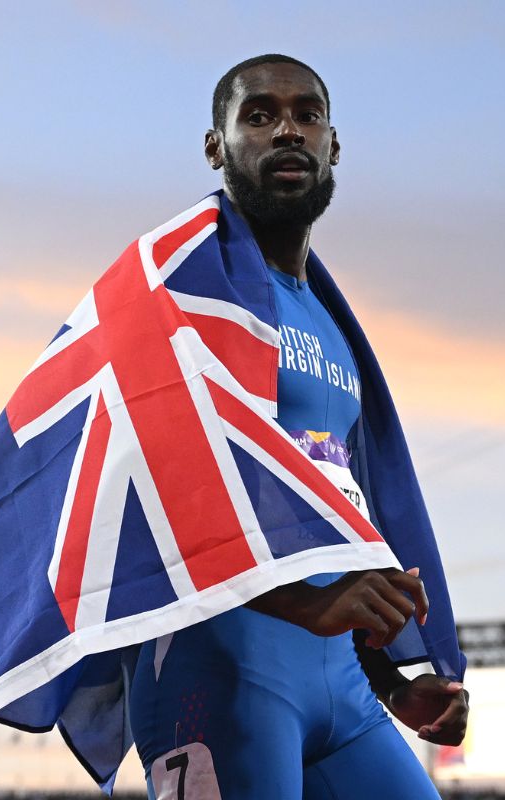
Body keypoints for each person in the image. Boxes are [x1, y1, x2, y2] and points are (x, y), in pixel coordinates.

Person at [127, 54, 469, 800]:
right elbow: (152, 494)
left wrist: (388, 682)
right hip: (215, 674)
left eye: (307, 114)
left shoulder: (332, 322)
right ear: (215, 146)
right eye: (259, 115)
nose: (288, 129)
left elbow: (324, 513)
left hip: (340, 685)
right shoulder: (182, 289)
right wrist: (304, 605)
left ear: (333, 144)